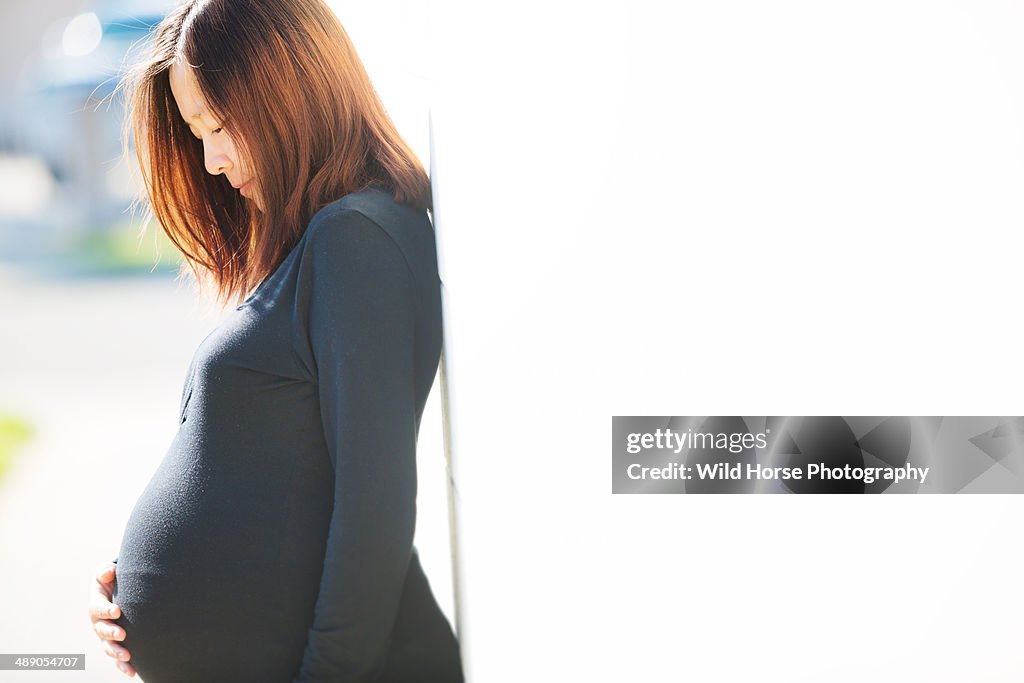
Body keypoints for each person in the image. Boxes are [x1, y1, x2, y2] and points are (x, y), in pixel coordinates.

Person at [85, 0, 464, 680]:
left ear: (291, 84)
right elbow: (293, 481)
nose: (211, 160)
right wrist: (157, 585)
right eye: (199, 132)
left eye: (220, 125)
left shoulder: (356, 240)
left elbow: (374, 506)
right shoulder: (335, 238)